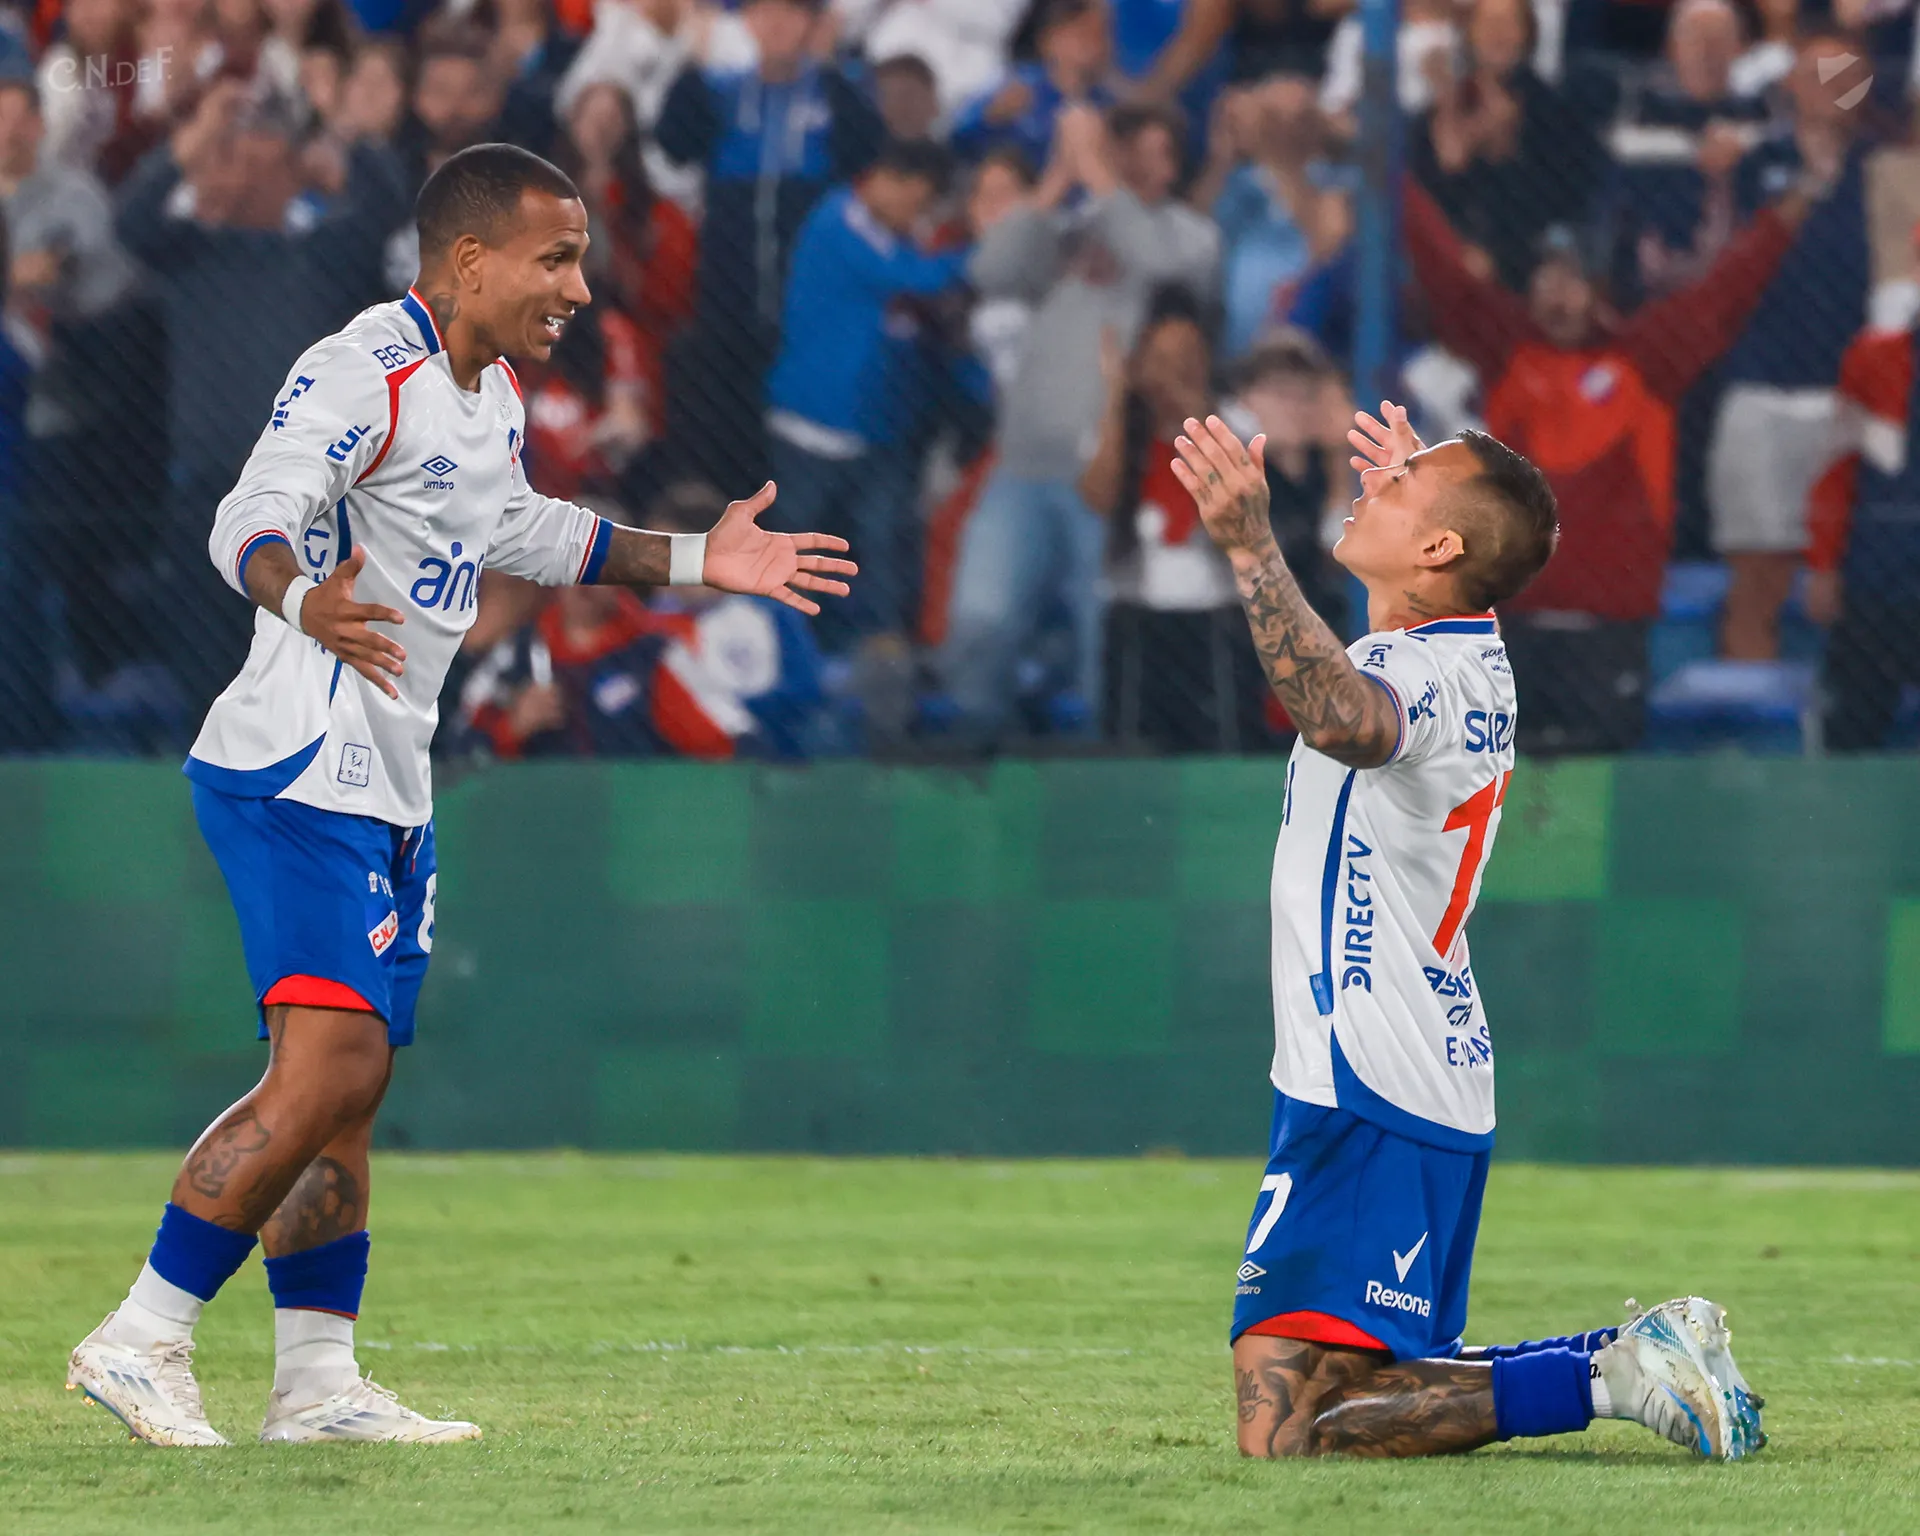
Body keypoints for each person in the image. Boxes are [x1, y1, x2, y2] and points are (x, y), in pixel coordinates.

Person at [64, 142, 856, 1447]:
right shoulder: (364, 369)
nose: (580, 290)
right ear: (472, 259)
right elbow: (247, 514)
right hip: (297, 763)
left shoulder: (486, 395)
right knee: (332, 1063)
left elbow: (522, 531)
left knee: (350, 1087)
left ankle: (317, 1384)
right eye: (559, 260)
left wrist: (697, 559)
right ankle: (141, 1333)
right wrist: (298, 594)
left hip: (389, 778)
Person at [1170, 405, 1764, 1462]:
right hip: (1410, 1064)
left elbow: (1341, 718)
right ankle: (1627, 1358)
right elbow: (1385, 650)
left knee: (1290, 1433)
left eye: (1400, 486)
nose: (1374, 484)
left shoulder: (1424, 675)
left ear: (1441, 548)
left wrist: (1252, 547)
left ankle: (1610, 1377)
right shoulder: (1456, 654)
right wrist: (1426, 500)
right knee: (1341, 1394)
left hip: (1371, 1070)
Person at [1402, 169, 1825, 755]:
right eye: (1547, 279)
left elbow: (1727, 290)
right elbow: (1445, 273)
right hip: (1511, 624)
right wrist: (1391, 177)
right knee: (1500, 779)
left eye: (1574, 280)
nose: (1558, 296)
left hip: (1611, 626)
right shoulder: (1507, 348)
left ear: (1602, 289)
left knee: (1600, 772)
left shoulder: (1648, 357)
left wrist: (1788, 213)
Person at [940, 99, 1219, 743]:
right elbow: (989, 271)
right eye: (1129, 149)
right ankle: (971, 769)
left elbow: (1165, 270)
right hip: (1022, 468)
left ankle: (1107, 765)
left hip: (1113, 478)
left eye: (1157, 153)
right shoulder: (1074, 228)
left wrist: (1099, 176)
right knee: (981, 620)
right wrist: (1055, 181)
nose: (1142, 165)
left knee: (1104, 640)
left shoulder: (1189, 235)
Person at [1707, 33, 1876, 660]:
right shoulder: (1752, 164)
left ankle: (1844, 705)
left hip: (1853, 396)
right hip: (1761, 385)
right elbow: (1719, 266)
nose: (1833, 85)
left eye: (1848, 74)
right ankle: (1748, 708)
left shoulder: (1884, 171)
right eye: (1818, 72)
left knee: (1858, 576)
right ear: (1792, 85)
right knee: (1758, 574)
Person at [764, 137, 966, 645]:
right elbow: (916, 278)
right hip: (813, 425)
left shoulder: (891, 233)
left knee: (881, 546)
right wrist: (985, 250)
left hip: (875, 428)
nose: (915, 216)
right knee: (800, 551)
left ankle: (885, 657)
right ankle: (786, 653)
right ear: (890, 180)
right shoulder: (841, 221)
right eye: (916, 202)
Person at [1083, 290, 1270, 752]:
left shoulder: (1236, 425)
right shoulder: (1117, 431)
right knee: (1133, 744)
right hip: (1137, 617)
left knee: (1222, 739)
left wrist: (1194, 410)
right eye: (1162, 359)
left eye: (1187, 359)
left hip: (1216, 617)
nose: (1174, 372)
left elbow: (1239, 499)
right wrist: (1117, 398)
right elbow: (1098, 497)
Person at [1802, 274, 1920, 749]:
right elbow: (1837, 469)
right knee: (1850, 734)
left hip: (1882, 576)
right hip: (1878, 584)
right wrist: (1823, 564)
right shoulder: (1873, 357)